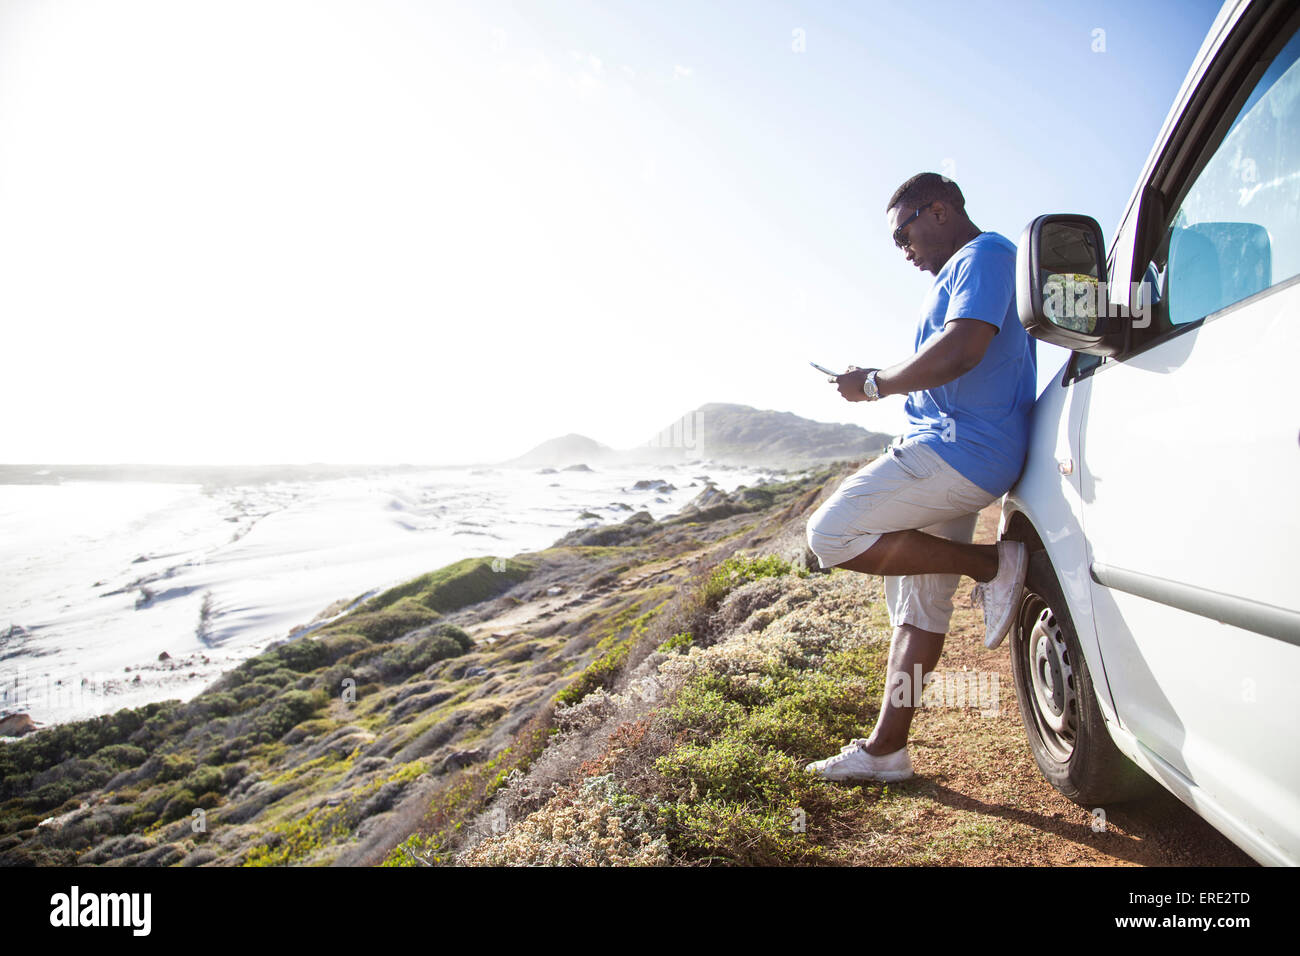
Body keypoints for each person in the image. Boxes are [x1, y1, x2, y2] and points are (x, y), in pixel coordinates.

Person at [803, 172, 1037, 783]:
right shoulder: (969, 267)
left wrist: (875, 383)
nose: (903, 251)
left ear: (938, 210)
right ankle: (887, 751)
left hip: (954, 452)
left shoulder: (983, 254)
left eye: (903, 234)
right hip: (962, 452)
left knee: (828, 535)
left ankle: (991, 565)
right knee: (920, 612)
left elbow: (963, 350)